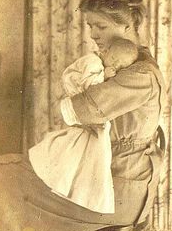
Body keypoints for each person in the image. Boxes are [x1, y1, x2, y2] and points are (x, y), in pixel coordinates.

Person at [0, 0, 166, 231]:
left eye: (100, 26)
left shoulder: (140, 75)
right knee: (3, 168)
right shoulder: (123, 65)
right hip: (103, 177)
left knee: (1, 181)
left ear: (128, 25)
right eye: (90, 26)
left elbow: (82, 109)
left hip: (119, 189)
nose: (93, 34)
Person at [28, 37, 138, 214]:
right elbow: (90, 87)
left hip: (87, 104)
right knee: (85, 143)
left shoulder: (103, 63)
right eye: (115, 62)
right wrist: (106, 77)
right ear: (105, 52)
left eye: (120, 67)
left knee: (94, 144)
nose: (115, 68)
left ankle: (87, 192)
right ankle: (72, 187)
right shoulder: (93, 63)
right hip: (79, 97)